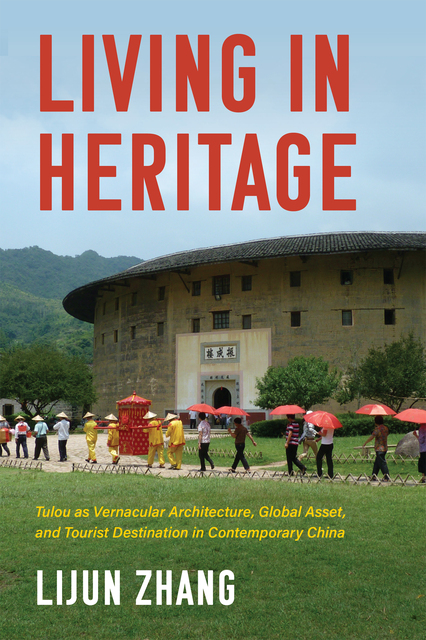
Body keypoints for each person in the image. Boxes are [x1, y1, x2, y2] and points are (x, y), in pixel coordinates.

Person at [362, 416, 390, 481]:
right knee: (377, 463)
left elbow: (372, 436)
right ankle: (374, 475)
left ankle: (387, 476)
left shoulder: (377, 429)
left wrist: (365, 443)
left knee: (382, 463)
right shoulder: (386, 428)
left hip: (379, 448)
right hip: (385, 447)